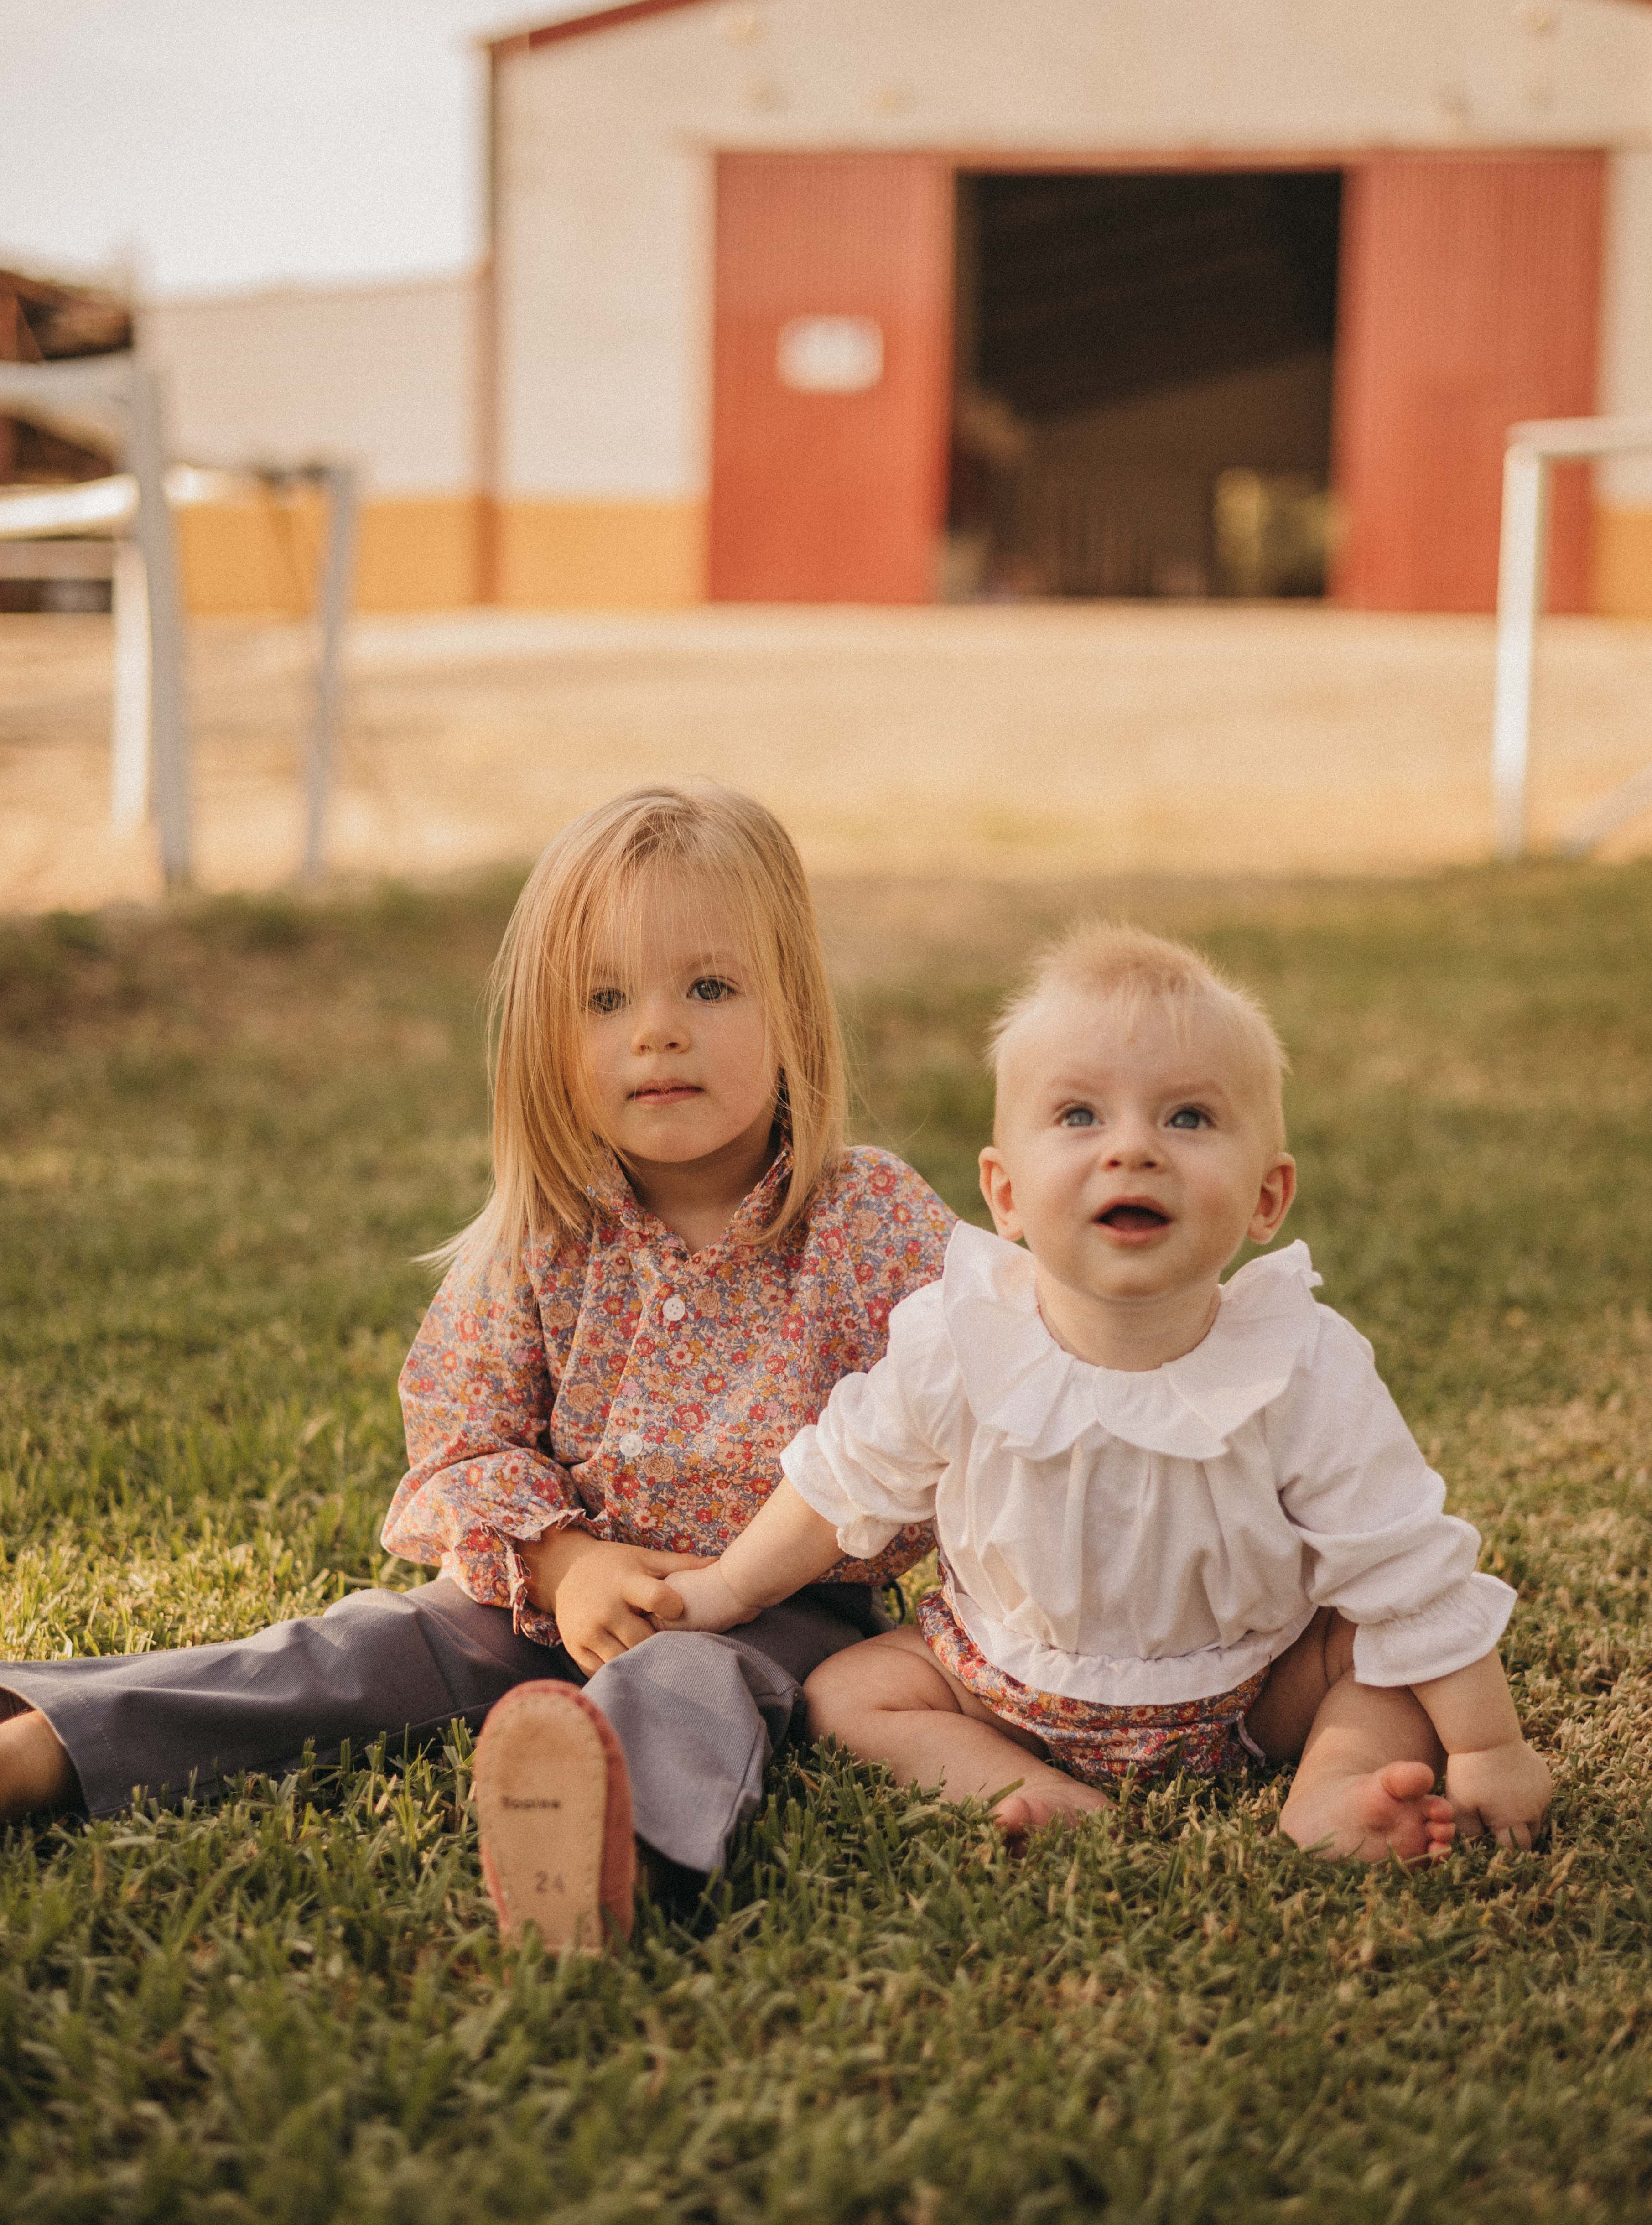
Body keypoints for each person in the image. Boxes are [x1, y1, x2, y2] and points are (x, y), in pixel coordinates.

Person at [0, 784, 955, 1945]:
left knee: (682, 1691)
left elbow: (995, 1374)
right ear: (548, 1039)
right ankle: (48, 1741)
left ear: (794, 1010)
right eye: (605, 999)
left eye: (708, 987)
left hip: (779, 1603)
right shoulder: (549, 1232)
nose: (656, 1030)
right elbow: (463, 1437)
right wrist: (566, 1564)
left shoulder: (871, 1219)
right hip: (546, 1590)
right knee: (359, 1647)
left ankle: (605, 1851)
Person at [663, 924, 1553, 1864]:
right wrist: (723, 1585)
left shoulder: (1299, 1364)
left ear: (1265, 1197)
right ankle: (1019, 1783)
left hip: (1254, 1684)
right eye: (1079, 1116)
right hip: (1003, 1685)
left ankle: (1332, 1783)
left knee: (1374, 1663)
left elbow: (1406, 1566)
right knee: (848, 1693)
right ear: (1003, 1194)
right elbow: (842, 1483)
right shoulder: (960, 1340)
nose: (1131, 1148)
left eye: (1188, 1118)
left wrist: (1487, 1744)